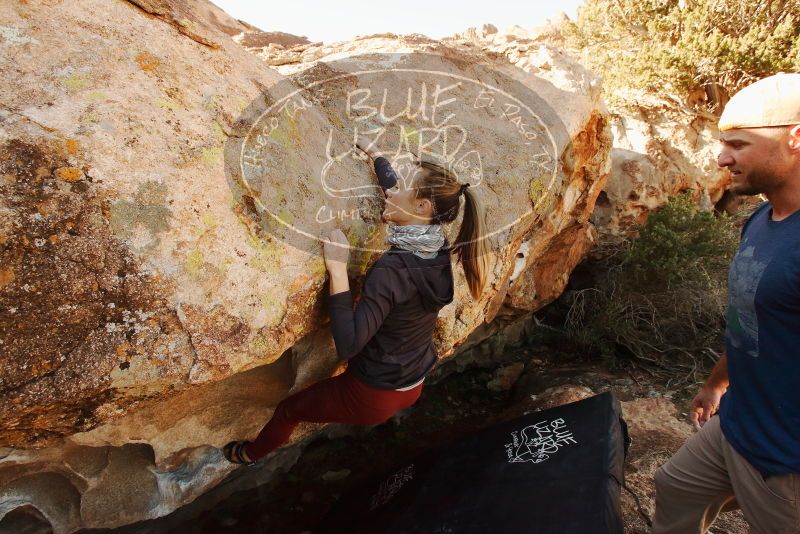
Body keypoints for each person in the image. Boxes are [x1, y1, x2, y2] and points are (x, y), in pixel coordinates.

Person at [223, 137, 489, 465]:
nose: (392, 191)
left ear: (423, 207)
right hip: (413, 381)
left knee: (288, 411)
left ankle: (249, 454)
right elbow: (396, 192)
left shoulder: (392, 270)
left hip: (372, 394)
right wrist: (378, 156)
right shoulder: (435, 243)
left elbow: (348, 344)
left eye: (403, 187)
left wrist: (337, 268)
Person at [653, 73, 800, 533]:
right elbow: (750, 320)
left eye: (738, 144)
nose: (722, 158)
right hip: (737, 424)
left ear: (795, 138)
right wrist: (718, 384)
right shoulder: (761, 218)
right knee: (674, 486)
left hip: (784, 458)